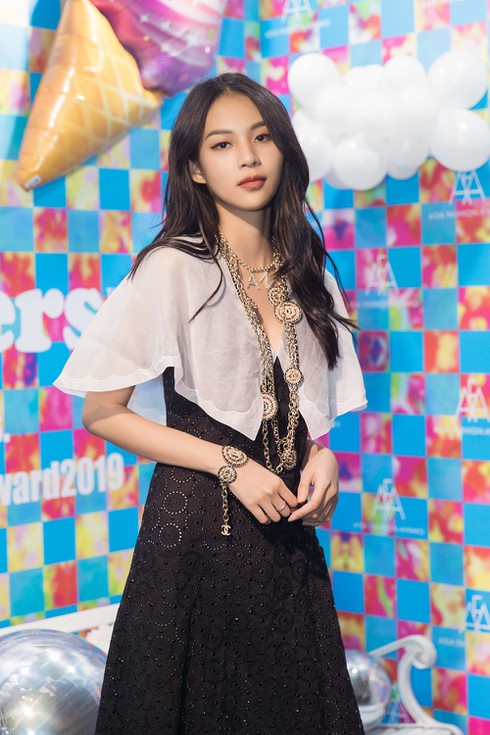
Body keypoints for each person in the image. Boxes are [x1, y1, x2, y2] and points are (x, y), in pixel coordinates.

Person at [54, 72, 367, 734]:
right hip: (198, 533)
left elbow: (292, 402)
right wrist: (232, 463)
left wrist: (321, 453)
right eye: (222, 145)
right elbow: (101, 411)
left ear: (284, 148)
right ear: (195, 168)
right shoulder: (174, 266)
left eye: (261, 137)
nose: (248, 158)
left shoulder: (306, 267)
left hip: (286, 540)